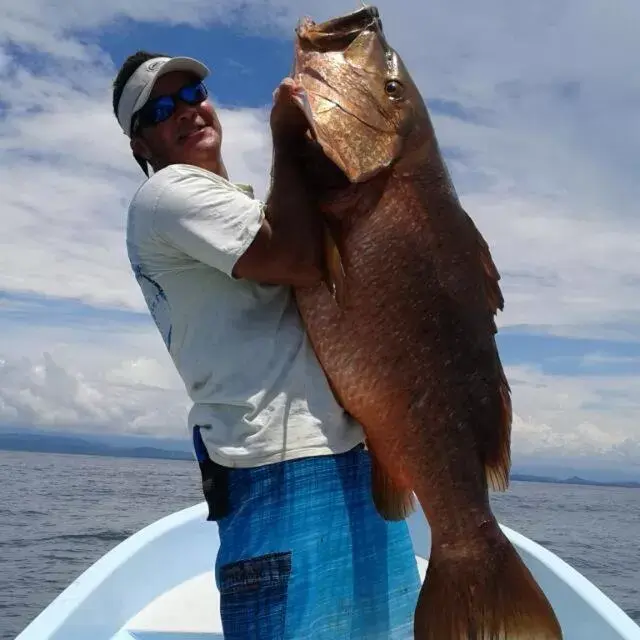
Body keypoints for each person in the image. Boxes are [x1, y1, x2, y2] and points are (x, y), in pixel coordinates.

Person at [112, 50, 421, 639]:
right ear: (140, 147)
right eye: (159, 110)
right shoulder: (169, 195)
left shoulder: (242, 207)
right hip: (281, 472)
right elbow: (299, 260)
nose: (186, 111)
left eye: (192, 94)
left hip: (349, 455)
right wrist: (286, 138)